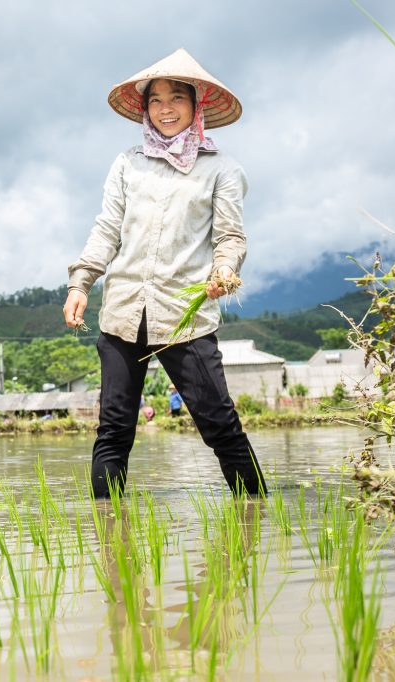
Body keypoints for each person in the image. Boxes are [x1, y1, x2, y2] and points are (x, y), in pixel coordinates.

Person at [62, 49, 266, 498]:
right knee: (113, 430)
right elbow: (106, 229)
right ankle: (108, 530)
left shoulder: (222, 169)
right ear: (145, 108)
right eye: (155, 100)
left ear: (196, 104)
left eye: (176, 98)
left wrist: (224, 271)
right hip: (122, 313)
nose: (165, 109)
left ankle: (258, 517)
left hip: (184, 317)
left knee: (220, 425)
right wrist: (81, 282)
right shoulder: (127, 163)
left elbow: (230, 237)